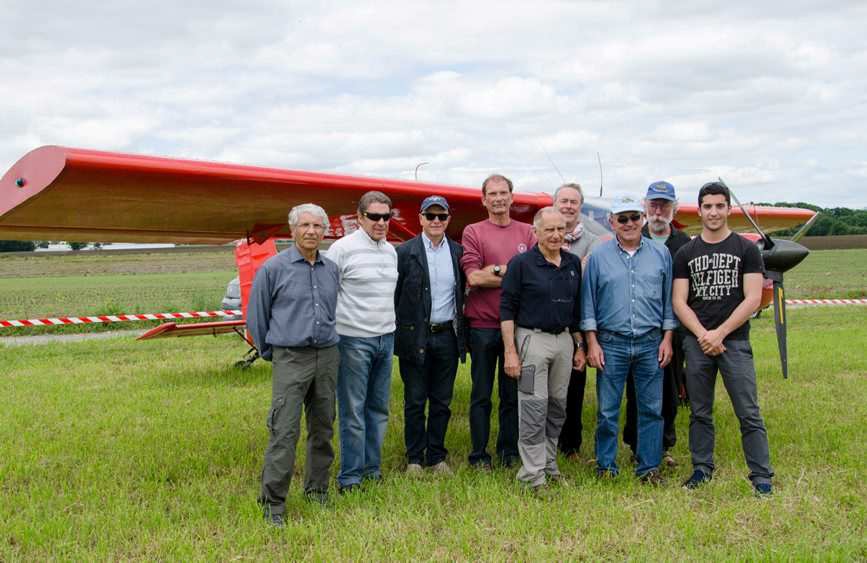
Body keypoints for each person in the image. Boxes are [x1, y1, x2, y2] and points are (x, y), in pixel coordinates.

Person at [673, 181, 774, 495]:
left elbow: (753, 297)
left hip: (735, 342)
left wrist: (721, 333)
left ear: (728, 208)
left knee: (748, 411)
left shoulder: (745, 249)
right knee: (700, 411)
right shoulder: (686, 252)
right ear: (700, 210)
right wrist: (704, 335)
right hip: (698, 343)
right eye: (708, 206)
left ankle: (761, 475)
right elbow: (679, 301)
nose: (713, 212)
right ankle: (702, 468)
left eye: (719, 206)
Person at [248, 203, 340, 526]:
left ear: (324, 231)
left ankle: (317, 491)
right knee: (284, 431)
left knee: (323, 428)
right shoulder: (274, 269)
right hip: (290, 357)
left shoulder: (331, 269)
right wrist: (271, 351)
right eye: (305, 225)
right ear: (293, 230)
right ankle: (273, 503)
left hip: (327, 355)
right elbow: (257, 317)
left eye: (317, 226)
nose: (311, 231)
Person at [581, 196, 676, 483]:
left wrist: (667, 337)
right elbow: (589, 303)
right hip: (611, 342)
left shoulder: (661, 255)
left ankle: (649, 467)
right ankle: (606, 467)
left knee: (651, 409)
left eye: (634, 217)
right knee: (608, 411)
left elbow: (668, 301)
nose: (629, 224)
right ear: (611, 222)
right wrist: (592, 342)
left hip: (650, 342)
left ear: (643, 219)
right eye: (622, 219)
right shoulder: (598, 257)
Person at [500, 207, 585, 491]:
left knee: (557, 406)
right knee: (533, 408)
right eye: (549, 229)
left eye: (560, 229)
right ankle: (532, 475)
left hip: (563, 341)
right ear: (535, 232)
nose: (555, 234)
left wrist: (579, 345)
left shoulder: (572, 263)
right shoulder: (521, 264)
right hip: (531, 341)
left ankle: (549, 464)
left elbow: (576, 311)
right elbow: (507, 310)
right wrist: (510, 351)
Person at [460, 174, 537, 470]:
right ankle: (479, 454)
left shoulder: (528, 231)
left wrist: (496, 272)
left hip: (520, 327)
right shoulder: (473, 231)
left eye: (503, 193)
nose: (498, 199)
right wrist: (513, 271)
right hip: (482, 326)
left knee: (514, 394)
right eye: (492, 194)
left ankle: (509, 451)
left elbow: (532, 276)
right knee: (481, 394)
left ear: (512, 196)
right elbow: (474, 277)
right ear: (483, 199)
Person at [326, 190, 399, 493]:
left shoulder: (390, 251)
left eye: (386, 217)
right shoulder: (341, 249)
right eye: (374, 216)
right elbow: (328, 294)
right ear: (359, 217)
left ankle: (372, 469)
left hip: (386, 336)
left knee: (378, 408)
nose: (381, 222)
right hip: (353, 338)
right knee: (353, 410)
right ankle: (350, 476)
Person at [394, 195, 465, 474]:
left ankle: (436, 456)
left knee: (442, 400)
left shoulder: (458, 253)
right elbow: (394, 297)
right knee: (414, 400)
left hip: (447, 335)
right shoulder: (404, 253)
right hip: (415, 336)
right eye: (430, 216)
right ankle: (414, 457)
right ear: (420, 219)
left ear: (448, 220)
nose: (436, 221)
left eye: (442, 216)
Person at [623, 181, 691, 467]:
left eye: (664, 205)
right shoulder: (633, 238)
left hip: (673, 329)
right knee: (635, 389)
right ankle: (635, 443)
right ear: (645, 207)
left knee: (669, 388)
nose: (658, 210)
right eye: (653, 205)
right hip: (638, 327)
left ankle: (664, 444)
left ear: (673, 208)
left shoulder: (685, 244)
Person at [552, 183, 601, 460]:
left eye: (574, 202)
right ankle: (544, 440)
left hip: (576, 319)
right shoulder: (542, 234)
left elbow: (584, 277)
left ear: (580, 207)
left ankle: (570, 444)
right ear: (555, 203)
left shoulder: (592, 240)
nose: (569, 206)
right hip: (547, 318)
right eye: (564, 201)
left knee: (574, 384)